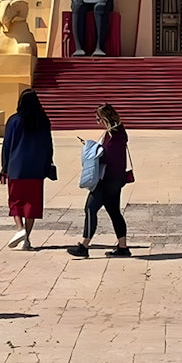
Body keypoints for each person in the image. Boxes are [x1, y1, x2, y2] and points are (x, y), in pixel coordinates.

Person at [67, 103, 132, 258]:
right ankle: (123, 247)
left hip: (108, 180)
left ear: (105, 118)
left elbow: (109, 157)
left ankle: (84, 245)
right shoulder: (116, 132)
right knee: (114, 211)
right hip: (115, 180)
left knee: (90, 208)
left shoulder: (115, 135)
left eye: (98, 119)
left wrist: (91, 150)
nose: (98, 122)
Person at [0, 89, 55, 251]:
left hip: (16, 168)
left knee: (16, 201)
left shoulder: (14, 121)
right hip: (36, 169)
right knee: (32, 203)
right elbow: (48, 145)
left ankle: (20, 230)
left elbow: (7, 146)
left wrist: (4, 167)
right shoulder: (43, 121)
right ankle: (26, 238)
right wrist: (47, 164)